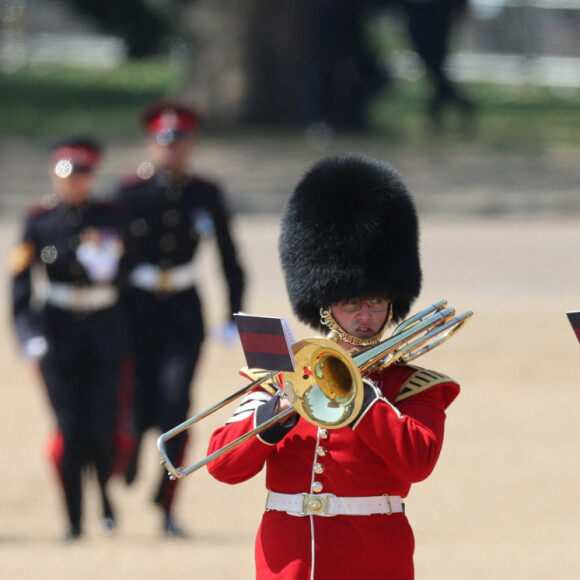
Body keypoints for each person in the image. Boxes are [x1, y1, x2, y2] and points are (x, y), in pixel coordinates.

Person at [207, 154, 461, 578]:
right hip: (287, 558)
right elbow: (221, 465)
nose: (365, 315)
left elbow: (419, 461)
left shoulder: (413, 385)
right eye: (351, 303)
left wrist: (359, 398)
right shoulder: (281, 374)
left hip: (371, 557)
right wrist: (270, 420)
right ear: (326, 307)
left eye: (376, 302)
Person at [115, 98, 245, 537]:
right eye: (165, 140)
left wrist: (233, 315)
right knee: (134, 401)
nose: (173, 149)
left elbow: (229, 258)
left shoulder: (205, 193)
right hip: (136, 306)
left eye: (182, 140)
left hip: (183, 309)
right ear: (151, 144)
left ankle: (166, 499)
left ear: (193, 145)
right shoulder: (128, 193)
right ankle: (129, 456)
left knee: (178, 405)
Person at [10, 137, 132, 541]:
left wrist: (110, 262)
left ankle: (105, 501)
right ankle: (74, 518)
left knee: (101, 426)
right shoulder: (39, 220)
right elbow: (20, 284)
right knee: (70, 427)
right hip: (58, 334)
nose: (73, 183)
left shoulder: (111, 216)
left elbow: (132, 272)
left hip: (103, 331)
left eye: (81, 174)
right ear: (54, 176)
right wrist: (29, 334)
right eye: (66, 174)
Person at [399, 0, 476, 130]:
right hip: (422, 13)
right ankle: (447, 107)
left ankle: (442, 109)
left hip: (434, 13)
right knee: (435, 69)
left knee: (435, 67)